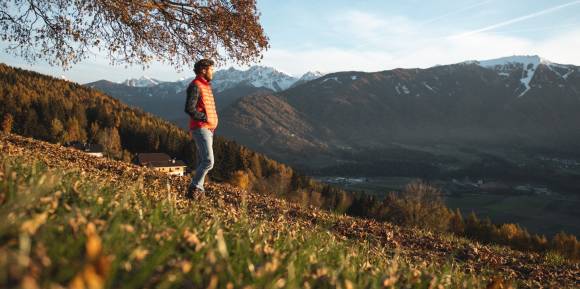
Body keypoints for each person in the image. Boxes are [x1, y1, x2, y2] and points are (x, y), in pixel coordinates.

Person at [184, 59, 218, 199]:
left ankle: (200, 192)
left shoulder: (205, 86)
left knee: (202, 161)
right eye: (211, 69)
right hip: (201, 128)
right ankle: (194, 187)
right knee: (209, 161)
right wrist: (205, 118)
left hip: (208, 129)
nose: (213, 71)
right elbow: (189, 108)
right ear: (203, 70)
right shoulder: (196, 86)